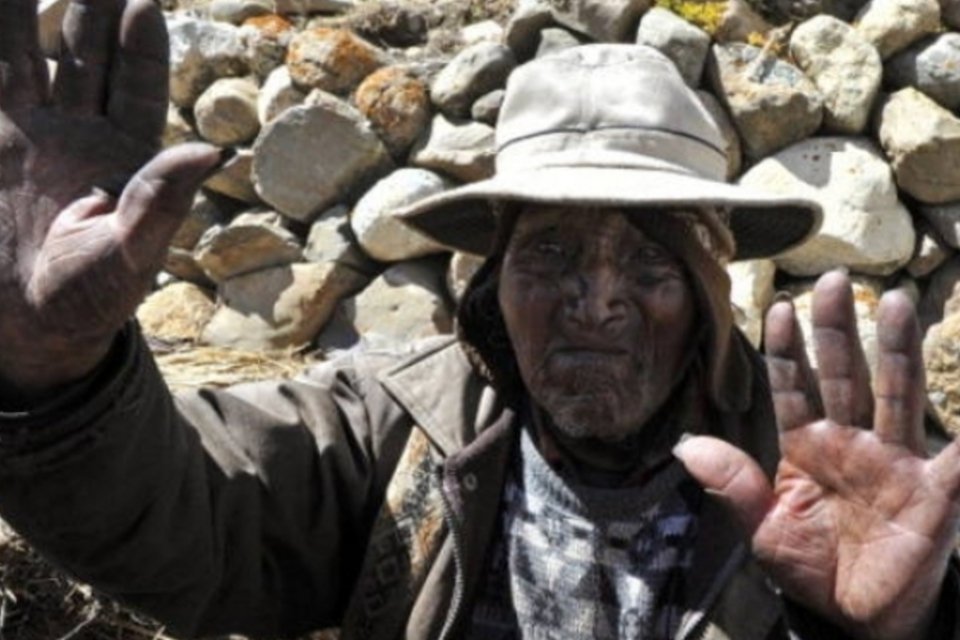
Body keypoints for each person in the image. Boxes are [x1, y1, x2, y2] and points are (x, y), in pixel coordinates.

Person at [0, 2, 957, 639]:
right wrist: (55, 371)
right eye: (549, 253)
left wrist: (907, 624)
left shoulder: (838, 477)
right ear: (491, 275)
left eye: (653, 259)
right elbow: (187, 517)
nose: (597, 299)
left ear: (711, 279)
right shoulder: (391, 424)